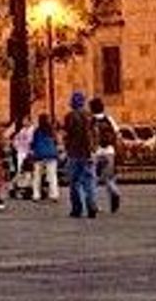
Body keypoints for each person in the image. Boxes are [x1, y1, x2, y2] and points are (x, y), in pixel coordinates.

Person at [63, 90, 98, 219]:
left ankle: (77, 209)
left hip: (74, 153)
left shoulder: (69, 117)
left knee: (74, 182)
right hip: (88, 153)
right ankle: (91, 206)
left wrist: (67, 147)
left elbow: (67, 135)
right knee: (89, 182)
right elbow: (94, 135)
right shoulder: (90, 116)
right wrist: (93, 149)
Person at [90, 96, 121, 214]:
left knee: (93, 180)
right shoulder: (109, 119)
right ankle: (115, 192)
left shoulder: (90, 120)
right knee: (109, 178)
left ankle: (94, 205)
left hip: (95, 153)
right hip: (109, 152)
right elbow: (118, 134)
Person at [30, 113, 59, 203]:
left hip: (39, 155)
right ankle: (54, 194)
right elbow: (56, 141)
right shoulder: (51, 130)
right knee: (52, 175)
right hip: (51, 155)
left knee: (37, 175)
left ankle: (36, 195)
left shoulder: (37, 131)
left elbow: (33, 143)